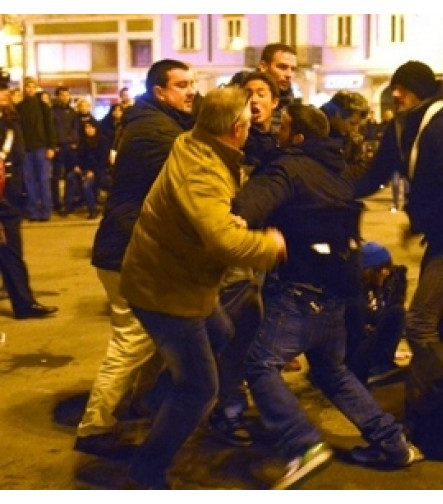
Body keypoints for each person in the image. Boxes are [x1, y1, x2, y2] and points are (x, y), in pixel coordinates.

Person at [233, 103, 422, 490]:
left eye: (283, 127)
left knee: (259, 365)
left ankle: (302, 445)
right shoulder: (337, 171)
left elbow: (245, 210)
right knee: (331, 371)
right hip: (341, 288)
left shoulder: (287, 166)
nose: (277, 131)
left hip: (303, 287)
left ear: (297, 136)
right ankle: (392, 442)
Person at [119, 86, 286, 489]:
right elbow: (222, 242)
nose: (252, 126)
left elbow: (208, 220)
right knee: (200, 388)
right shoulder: (204, 169)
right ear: (235, 128)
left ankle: (156, 404)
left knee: (222, 331)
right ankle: (147, 469)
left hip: (175, 278)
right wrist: (269, 246)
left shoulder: (199, 144)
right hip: (166, 289)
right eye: (248, 121)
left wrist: (227, 221)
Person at [74, 59, 197, 459]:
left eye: (192, 83)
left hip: (129, 248)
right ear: (160, 92)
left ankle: (141, 401)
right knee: (132, 338)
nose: (190, 91)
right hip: (125, 251)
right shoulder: (158, 132)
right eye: (182, 85)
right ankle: (95, 427)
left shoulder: (156, 122)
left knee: (154, 334)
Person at [353, 60, 443, 360]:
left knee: (420, 321)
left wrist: (426, 219)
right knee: (431, 313)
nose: (395, 94)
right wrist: (332, 192)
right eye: (394, 87)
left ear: (420, 92)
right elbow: (375, 175)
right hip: (440, 236)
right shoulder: (404, 125)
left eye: (403, 89)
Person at [205, 70, 280, 447]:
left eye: (261, 93)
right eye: (247, 94)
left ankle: (242, 399)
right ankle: (228, 405)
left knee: (255, 332)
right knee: (234, 332)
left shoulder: (276, 145)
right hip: (237, 252)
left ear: (274, 102)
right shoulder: (222, 147)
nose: (254, 100)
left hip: (267, 253)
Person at [0, 81, 58, 320]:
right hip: (2, 201)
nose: (7, 95)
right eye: (2, 91)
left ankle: (23, 302)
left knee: (9, 253)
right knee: (10, 252)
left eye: (6, 91)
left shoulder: (11, 121)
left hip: (11, 198)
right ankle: (24, 304)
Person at [344, 241, 407, 386]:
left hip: (364, 346)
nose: (386, 272)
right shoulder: (354, 297)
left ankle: (382, 364)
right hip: (351, 359)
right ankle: (377, 368)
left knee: (397, 312)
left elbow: (378, 318)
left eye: (387, 267)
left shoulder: (376, 288)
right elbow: (356, 336)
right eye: (381, 269)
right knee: (396, 314)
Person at [16, 76, 56, 222]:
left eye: (32, 86)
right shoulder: (19, 108)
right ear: (24, 88)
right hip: (26, 150)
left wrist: (52, 146)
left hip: (41, 148)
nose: (30, 89)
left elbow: (50, 128)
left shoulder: (43, 107)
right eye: (27, 86)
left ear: (36, 88)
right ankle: (32, 211)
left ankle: (46, 211)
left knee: (44, 180)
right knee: (29, 181)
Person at [320, 90, 370, 178]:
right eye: (352, 123)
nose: (355, 129)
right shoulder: (316, 135)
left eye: (359, 125)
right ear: (337, 115)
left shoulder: (347, 137)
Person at [63, 120, 107, 219]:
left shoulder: (102, 142)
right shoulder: (82, 142)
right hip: (83, 169)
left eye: (91, 128)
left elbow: (102, 161)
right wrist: (77, 166)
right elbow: (79, 157)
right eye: (87, 128)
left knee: (86, 185)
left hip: (97, 171)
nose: (89, 130)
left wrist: (92, 171)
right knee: (70, 177)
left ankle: (92, 209)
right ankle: (68, 206)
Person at [51, 86, 80, 213]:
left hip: (70, 146)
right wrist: (54, 144)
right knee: (56, 176)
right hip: (58, 147)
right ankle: (56, 203)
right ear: (57, 96)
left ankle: (69, 203)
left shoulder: (72, 112)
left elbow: (76, 128)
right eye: (62, 95)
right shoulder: (52, 111)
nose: (64, 97)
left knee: (70, 175)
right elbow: (51, 129)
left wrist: (74, 141)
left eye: (66, 94)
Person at [258, 43, 297, 131]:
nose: (289, 74)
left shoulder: (288, 103)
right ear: (263, 66)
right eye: (282, 67)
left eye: (293, 69)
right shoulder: (243, 101)